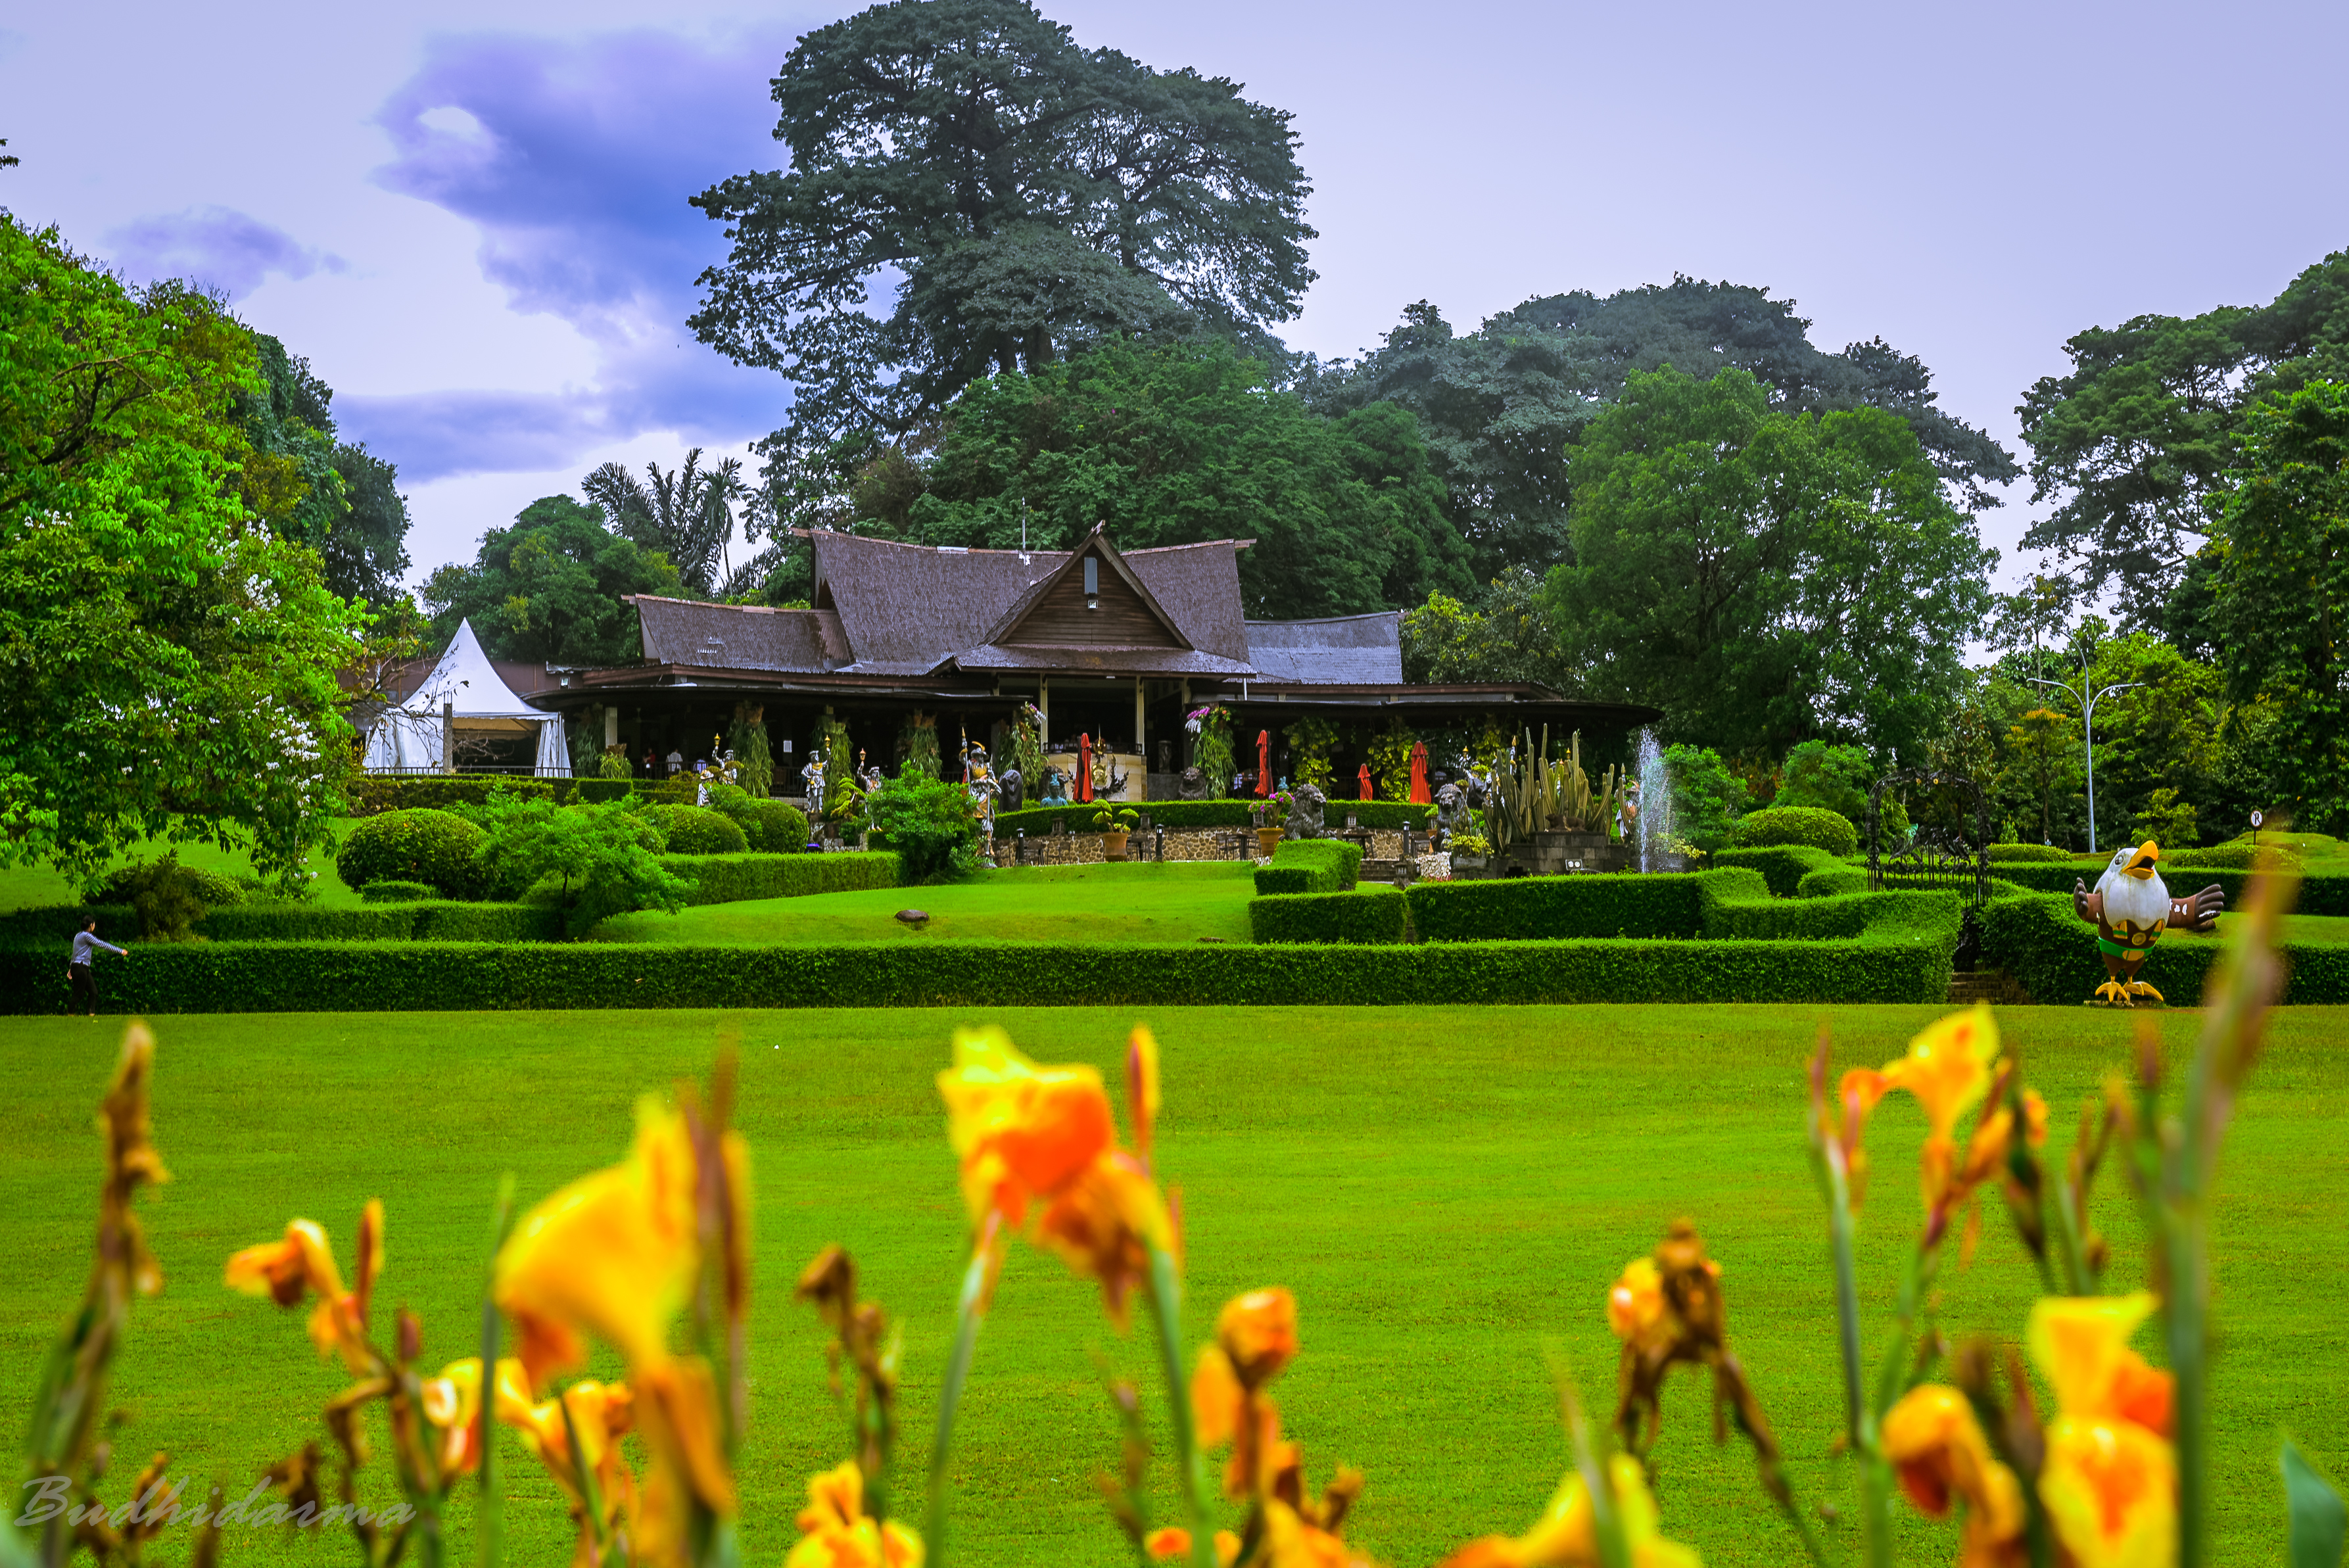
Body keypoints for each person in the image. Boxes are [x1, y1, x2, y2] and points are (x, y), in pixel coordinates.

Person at [67, 916, 130, 1018]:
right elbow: (102, 944)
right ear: (91, 925)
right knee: (79, 994)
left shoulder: (78, 936)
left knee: (93, 992)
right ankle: (70, 1015)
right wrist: (120, 951)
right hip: (80, 967)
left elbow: (74, 953)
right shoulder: (87, 936)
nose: (94, 926)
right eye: (94, 924)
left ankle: (91, 1015)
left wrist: (71, 968)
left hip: (81, 967)